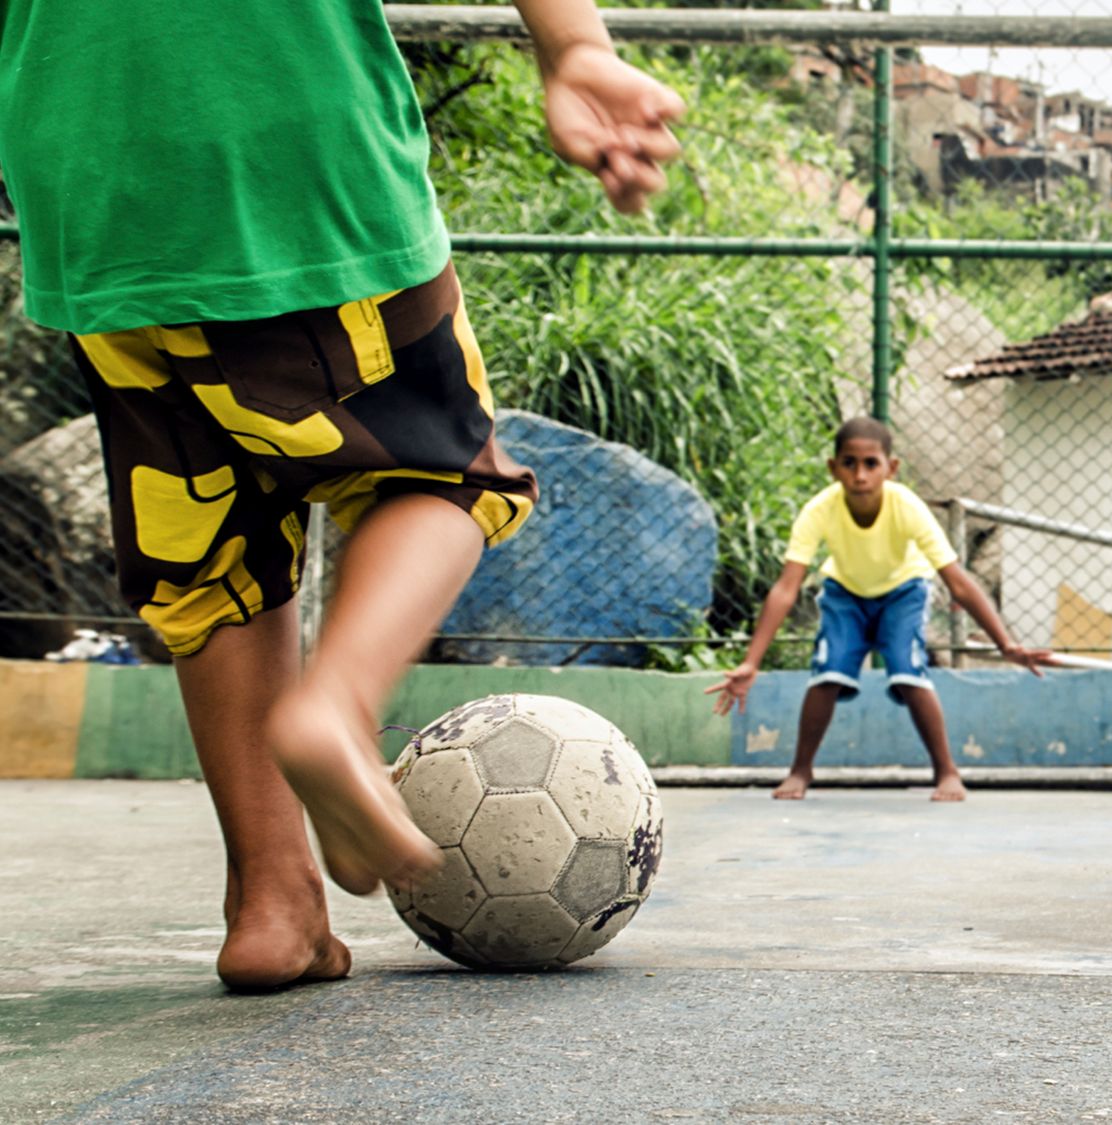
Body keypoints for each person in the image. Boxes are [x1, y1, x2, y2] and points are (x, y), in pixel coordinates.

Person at [0, 0, 684, 990]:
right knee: (446, 475)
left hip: (84, 174)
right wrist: (574, 44)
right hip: (287, 146)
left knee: (216, 557)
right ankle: (338, 705)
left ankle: (274, 907)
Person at [707, 417, 1053, 801]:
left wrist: (1005, 644)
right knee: (827, 672)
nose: (860, 475)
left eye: (871, 463)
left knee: (908, 672)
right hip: (846, 594)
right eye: (849, 463)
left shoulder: (907, 506)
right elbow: (786, 588)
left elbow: (958, 581)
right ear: (833, 467)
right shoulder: (820, 509)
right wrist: (752, 662)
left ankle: (947, 771)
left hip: (902, 592)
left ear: (891, 468)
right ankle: (800, 771)